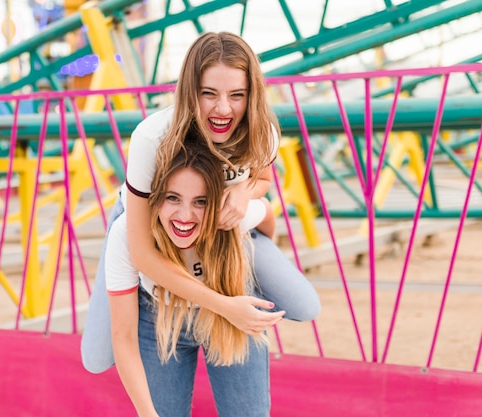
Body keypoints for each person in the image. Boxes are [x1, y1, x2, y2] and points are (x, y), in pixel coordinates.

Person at [81, 31, 320, 373]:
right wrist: (224, 306)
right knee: (98, 357)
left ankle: (228, 273)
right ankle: (153, 301)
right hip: (154, 221)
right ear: (190, 91)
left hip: (223, 222)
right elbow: (142, 252)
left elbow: (263, 180)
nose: (223, 109)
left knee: (305, 304)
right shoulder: (152, 137)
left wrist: (243, 192)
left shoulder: (261, 128)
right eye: (209, 94)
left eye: (237, 95)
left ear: (251, 95)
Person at [108, 140, 272, 417]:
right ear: (154, 197)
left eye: (200, 202)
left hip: (231, 308)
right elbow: (122, 336)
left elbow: (266, 212)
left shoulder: (228, 219)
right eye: (172, 198)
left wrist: (251, 204)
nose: (185, 216)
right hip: (160, 316)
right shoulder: (128, 233)